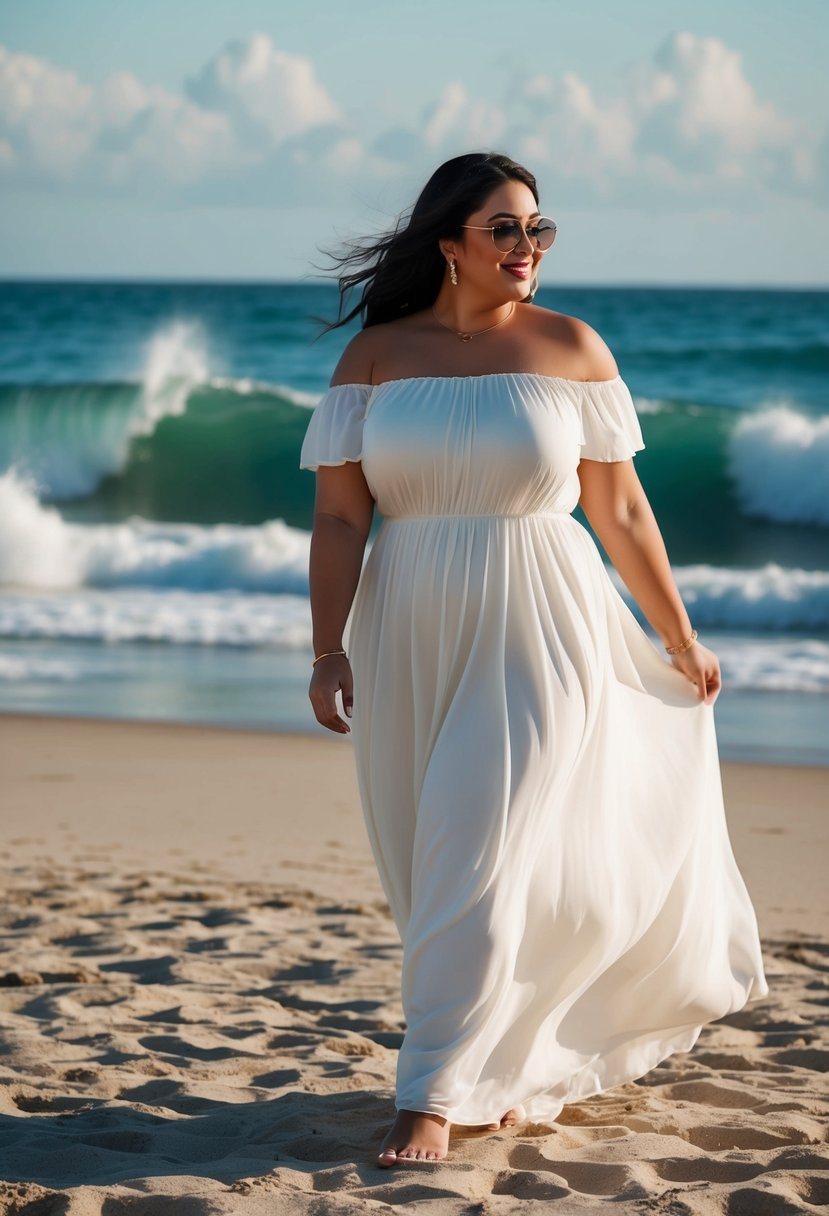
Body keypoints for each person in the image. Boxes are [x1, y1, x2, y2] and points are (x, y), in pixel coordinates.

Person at [298, 151, 768, 1168]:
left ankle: (424, 1095)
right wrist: (327, 649)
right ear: (448, 244)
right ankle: (500, 1065)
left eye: (538, 228)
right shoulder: (374, 358)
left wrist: (678, 637)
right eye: (505, 228)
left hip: (544, 618)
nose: (528, 248)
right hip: (408, 622)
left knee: (482, 838)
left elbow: (620, 508)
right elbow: (340, 519)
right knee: (438, 864)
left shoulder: (571, 347)